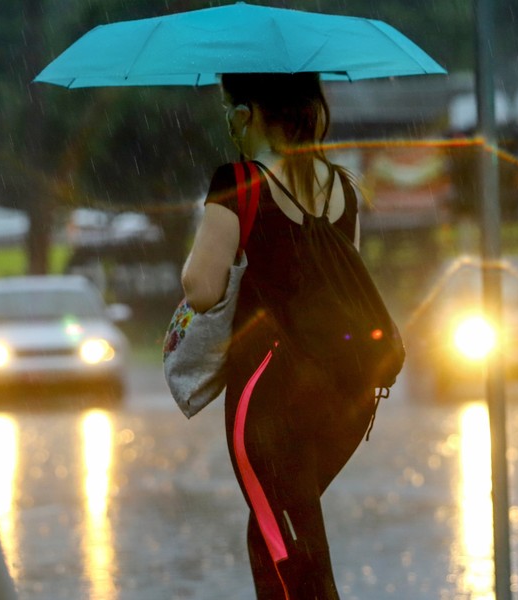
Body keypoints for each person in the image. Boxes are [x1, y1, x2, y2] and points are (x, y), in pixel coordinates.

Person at [181, 72, 377, 600]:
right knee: (280, 531)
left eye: (229, 106)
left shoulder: (239, 180)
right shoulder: (343, 188)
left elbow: (200, 288)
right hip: (343, 399)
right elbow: (337, 288)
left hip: (269, 396)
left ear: (247, 113)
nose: (227, 118)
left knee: (286, 548)